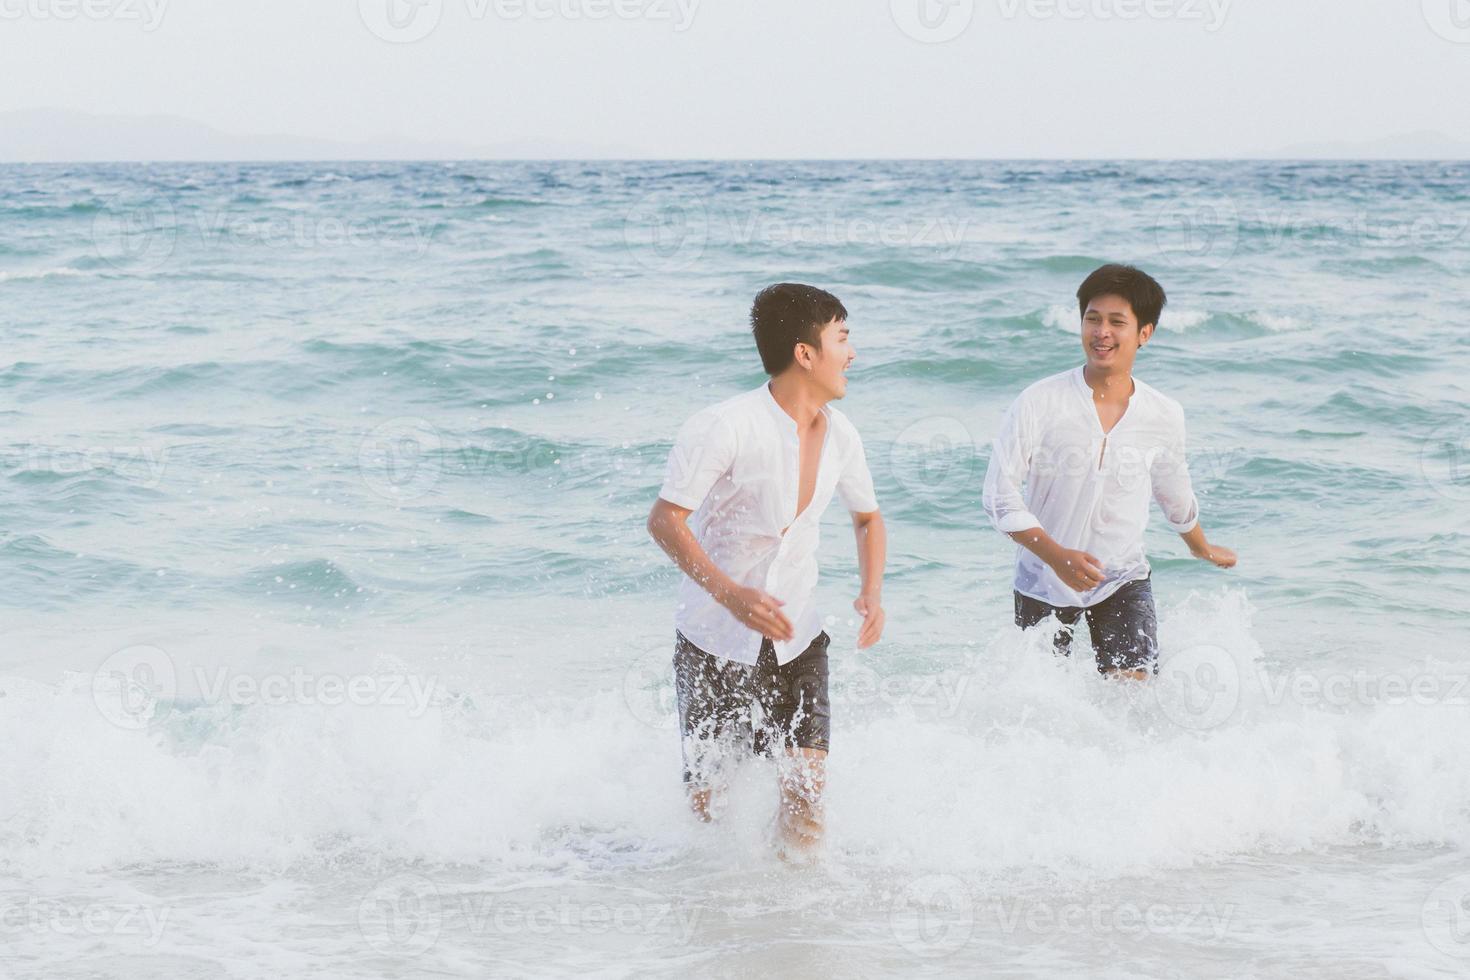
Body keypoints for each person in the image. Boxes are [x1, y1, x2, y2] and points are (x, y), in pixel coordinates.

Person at [646, 283, 886, 857]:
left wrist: (871, 592)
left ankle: (795, 924)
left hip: (798, 637)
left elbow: (868, 519)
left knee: (806, 791)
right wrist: (730, 594)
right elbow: (664, 520)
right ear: (806, 353)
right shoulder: (723, 425)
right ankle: (721, 916)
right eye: (842, 338)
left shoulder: (843, 435)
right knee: (710, 806)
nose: (852, 353)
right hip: (713, 639)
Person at [982, 263, 1236, 679]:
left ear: (1144, 333)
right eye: (1092, 319)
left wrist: (1199, 546)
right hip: (1043, 578)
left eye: (1117, 322)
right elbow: (998, 496)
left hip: (1123, 576)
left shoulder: (1163, 413)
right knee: (1041, 706)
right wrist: (1056, 556)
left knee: (1133, 699)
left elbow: (1174, 492)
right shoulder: (1039, 401)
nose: (1101, 332)